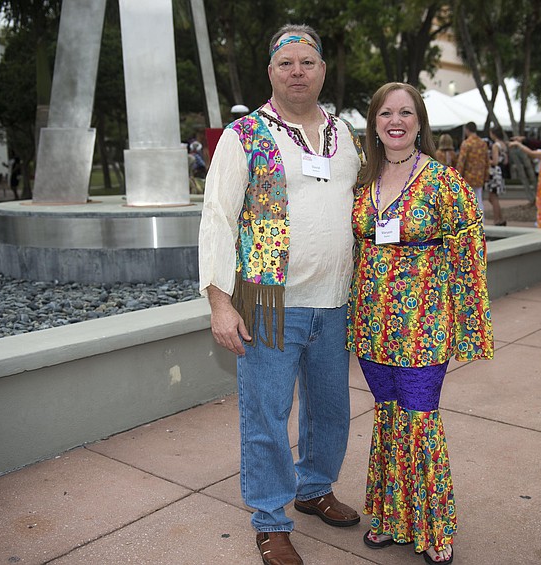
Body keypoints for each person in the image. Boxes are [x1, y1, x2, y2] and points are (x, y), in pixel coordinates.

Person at [198, 24, 364, 565]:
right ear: (270, 72)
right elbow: (218, 220)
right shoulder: (244, 135)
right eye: (286, 62)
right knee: (267, 416)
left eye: (307, 62)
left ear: (321, 71)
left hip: (335, 302)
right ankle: (271, 519)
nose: (297, 71)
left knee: (331, 410)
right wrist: (220, 303)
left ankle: (314, 488)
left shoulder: (346, 137)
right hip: (269, 306)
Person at [347, 82, 493, 565]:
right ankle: (392, 519)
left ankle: (434, 527)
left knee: (420, 417)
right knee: (388, 417)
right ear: (374, 122)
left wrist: (466, 324)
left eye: (406, 113)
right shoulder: (363, 179)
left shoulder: (443, 181)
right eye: (386, 112)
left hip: (423, 325)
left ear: (419, 122)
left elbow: (471, 253)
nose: (396, 121)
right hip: (372, 324)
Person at [455, 121, 489, 212]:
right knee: (479, 199)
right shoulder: (483, 143)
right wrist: (486, 176)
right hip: (480, 176)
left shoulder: (466, 143)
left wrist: (457, 177)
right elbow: (487, 161)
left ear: (467, 130)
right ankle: (481, 221)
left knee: (467, 200)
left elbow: (461, 161)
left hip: (468, 177)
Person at [487, 126, 507, 225]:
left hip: (494, 172)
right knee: (494, 196)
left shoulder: (495, 145)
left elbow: (494, 161)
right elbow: (506, 160)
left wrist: (487, 160)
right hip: (501, 172)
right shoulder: (503, 145)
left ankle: (497, 219)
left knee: (492, 197)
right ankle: (500, 218)